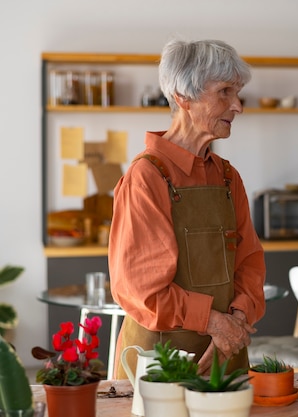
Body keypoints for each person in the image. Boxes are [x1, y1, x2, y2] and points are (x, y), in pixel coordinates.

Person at [109, 38, 266, 378]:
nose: (237, 105)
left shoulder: (228, 178)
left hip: (225, 354)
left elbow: (251, 262)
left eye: (237, 93)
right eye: (224, 91)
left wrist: (237, 320)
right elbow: (141, 289)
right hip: (159, 364)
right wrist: (213, 322)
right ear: (184, 97)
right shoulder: (146, 177)